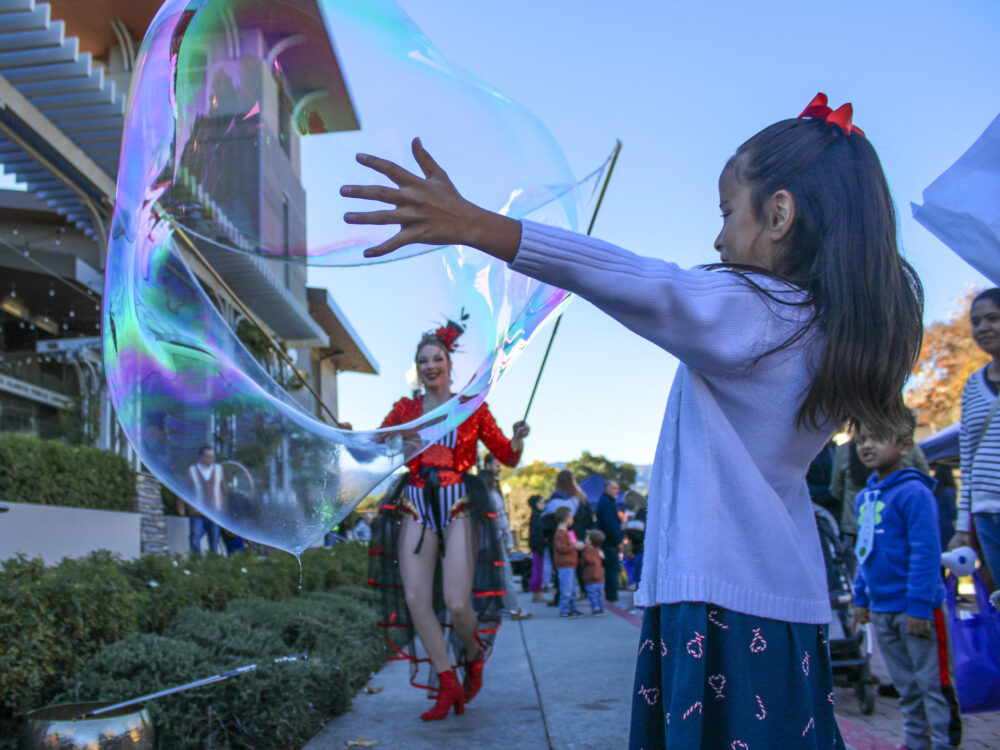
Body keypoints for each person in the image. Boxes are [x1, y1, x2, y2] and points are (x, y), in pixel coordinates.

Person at [341, 93, 924, 748]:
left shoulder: (753, 313)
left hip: (715, 608)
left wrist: (476, 225)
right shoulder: (825, 332)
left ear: (780, 214)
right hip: (789, 611)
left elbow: (639, 279)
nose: (717, 237)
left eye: (728, 213)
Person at [368, 319, 530, 721]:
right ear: (416, 367)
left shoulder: (470, 406)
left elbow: (507, 455)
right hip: (416, 500)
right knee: (415, 598)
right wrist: (360, 437)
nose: (430, 365)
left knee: (458, 604)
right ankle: (447, 681)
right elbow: (375, 444)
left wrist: (519, 437)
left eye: (436, 358)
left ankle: (472, 658)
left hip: (459, 500)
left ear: (448, 363)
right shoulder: (405, 410)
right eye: (422, 360)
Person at [851, 414, 962, 750]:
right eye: (860, 440)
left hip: (917, 611)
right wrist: (861, 598)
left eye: (876, 437)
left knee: (931, 684)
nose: (866, 445)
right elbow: (864, 551)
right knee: (905, 686)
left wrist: (919, 607)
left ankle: (942, 743)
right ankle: (915, 742)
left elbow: (926, 552)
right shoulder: (864, 498)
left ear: (903, 445)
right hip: (883, 610)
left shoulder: (915, 493)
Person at [951, 287, 1000, 606]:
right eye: (976, 321)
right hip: (985, 512)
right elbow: (967, 459)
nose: (983, 328)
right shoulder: (972, 384)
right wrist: (962, 525)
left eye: (993, 318)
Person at [481, 466, 532, 620]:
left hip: (478, 543)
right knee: (505, 575)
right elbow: (502, 522)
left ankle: (486, 608)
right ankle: (513, 608)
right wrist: (509, 543)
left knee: (483, 577)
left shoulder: (474, 498)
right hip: (495, 541)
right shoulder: (494, 497)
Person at [542, 470, 586, 607]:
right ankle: (574, 596)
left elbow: (546, 520)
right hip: (575, 535)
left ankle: (562, 597)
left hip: (557, 537)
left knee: (561, 569)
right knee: (573, 568)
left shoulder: (555, 499)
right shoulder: (579, 498)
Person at [180, 445, 225, 554]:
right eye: (208, 456)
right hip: (197, 512)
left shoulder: (218, 469)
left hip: (215, 513)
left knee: (214, 541)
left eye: (212, 456)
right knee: (195, 538)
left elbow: (223, 490)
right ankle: (195, 563)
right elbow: (184, 490)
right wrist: (181, 507)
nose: (210, 459)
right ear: (201, 457)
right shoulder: (192, 470)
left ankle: (213, 564)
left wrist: (224, 508)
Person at [594, 479, 623, 603]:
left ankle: (611, 595)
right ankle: (612, 596)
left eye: (617, 488)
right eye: (614, 488)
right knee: (612, 570)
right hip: (609, 543)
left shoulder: (607, 502)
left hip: (608, 541)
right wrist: (618, 540)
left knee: (612, 570)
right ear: (607, 489)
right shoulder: (606, 503)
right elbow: (610, 524)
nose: (616, 491)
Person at [553, 506, 584, 618]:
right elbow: (561, 548)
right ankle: (565, 609)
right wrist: (575, 547)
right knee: (567, 589)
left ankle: (572, 608)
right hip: (565, 564)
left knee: (572, 588)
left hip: (570, 564)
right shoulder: (561, 533)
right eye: (571, 517)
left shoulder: (565, 532)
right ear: (566, 518)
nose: (573, 520)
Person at [931, 465, 957, 554]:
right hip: (947, 525)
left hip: (934, 524)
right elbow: (952, 510)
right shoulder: (949, 491)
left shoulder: (933, 490)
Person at [527, 494, 548, 602]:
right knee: (538, 569)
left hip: (537, 546)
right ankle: (537, 592)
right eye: (541, 502)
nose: (543, 505)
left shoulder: (536, 515)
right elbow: (537, 533)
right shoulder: (536, 516)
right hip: (538, 546)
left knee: (537, 569)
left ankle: (537, 591)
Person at [582, 529, 607, 616]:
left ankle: (596, 607)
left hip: (590, 575)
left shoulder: (588, 551)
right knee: (600, 592)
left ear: (590, 541)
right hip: (600, 575)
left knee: (592, 593)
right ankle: (601, 606)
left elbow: (586, 561)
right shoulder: (599, 550)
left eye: (587, 538)